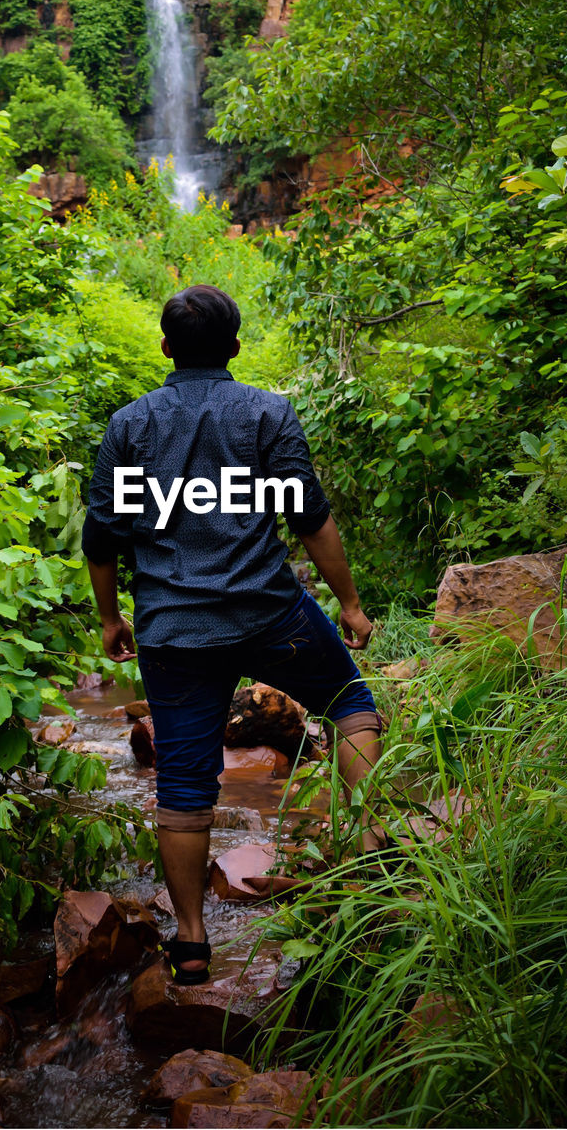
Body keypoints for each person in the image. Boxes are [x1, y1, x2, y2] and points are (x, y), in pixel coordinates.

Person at [81, 284, 383, 985]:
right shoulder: (266, 412)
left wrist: (108, 617)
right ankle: (372, 854)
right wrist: (349, 603)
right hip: (268, 614)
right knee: (350, 707)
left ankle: (189, 945)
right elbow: (307, 517)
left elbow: (102, 538)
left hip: (174, 631)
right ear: (236, 348)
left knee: (184, 783)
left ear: (164, 349)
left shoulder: (128, 426)